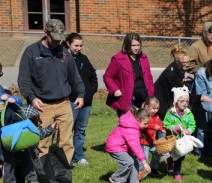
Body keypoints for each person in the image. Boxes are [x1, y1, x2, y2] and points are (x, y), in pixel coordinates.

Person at [17, 19, 85, 164]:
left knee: (66, 142)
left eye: (59, 38)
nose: (57, 42)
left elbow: (75, 78)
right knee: (42, 143)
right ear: (45, 33)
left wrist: (80, 94)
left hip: (64, 104)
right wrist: (32, 98)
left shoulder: (65, 53)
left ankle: (63, 177)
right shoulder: (31, 52)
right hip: (42, 106)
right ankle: (44, 177)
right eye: (54, 38)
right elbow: (24, 80)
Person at [0, 102, 57, 183]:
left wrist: (51, 128)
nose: (36, 122)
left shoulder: (33, 128)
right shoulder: (19, 129)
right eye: (33, 120)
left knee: (33, 178)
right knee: (19, 180)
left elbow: (41, 133)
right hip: (17, 162)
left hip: (32, 159)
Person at [64, 33, 98, 165]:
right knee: (67, 130)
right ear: (68, 44)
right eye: (76, 45)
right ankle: (67, 157)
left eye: (80, 45)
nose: (78, 48)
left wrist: (91, 90)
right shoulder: (63, 59)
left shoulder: (84, 59)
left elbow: (92, 75)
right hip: (71, 101)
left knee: (81, 130)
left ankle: (79, 155)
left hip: (86, 101)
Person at [104, 33, 154, 116]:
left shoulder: (144, 58)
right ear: (127, 45)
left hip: (143, 98)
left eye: (138, 45)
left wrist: (151, 94)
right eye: (133, 45)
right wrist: (115, 90)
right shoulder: (118, 59)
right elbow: (108, 77)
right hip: (127, 99)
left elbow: (149, 78)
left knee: (143, 126)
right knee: (129, 127)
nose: (136, 48)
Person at [105, 107, 151, 183]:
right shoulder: (132, 129)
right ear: (138, 120)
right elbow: (136, 148)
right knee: (128, 162)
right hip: (115, 147)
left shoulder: (133, 125)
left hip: (123, 147)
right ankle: (115, 178)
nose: (147, 126)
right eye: (145, 123)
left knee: (135, 163)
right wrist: (145, 163)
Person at [163, 86, 196, 181]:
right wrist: (174, 128)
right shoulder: (170, 113)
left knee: (181, 155)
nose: (185, 103)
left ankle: (171, 161)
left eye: (187, 101)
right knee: (177, 155)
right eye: (182, 101)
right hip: (173, 138)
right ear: (176, 101)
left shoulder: (189, 114)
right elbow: (165, 124)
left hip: (183, 139)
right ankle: (177, 172)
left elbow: (192, 125)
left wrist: (188, 131)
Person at [154, 45, 192, 118]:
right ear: (177, 62)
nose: (187, 64)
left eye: (188, 62)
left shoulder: (179, 68)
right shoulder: (172, 72)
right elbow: (178, 93)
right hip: (162, 101)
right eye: (184, 62)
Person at [139, 97, 165, 178]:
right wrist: (154, 126)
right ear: (147, 107)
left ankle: (154, 169)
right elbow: (144, 125)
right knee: (144, 158)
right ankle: (141, 172)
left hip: (152, 141)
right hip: (144, 142)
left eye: (157, 108)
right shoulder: (144, 116)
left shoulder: (155, 116)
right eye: (153, 108)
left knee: (157, 153)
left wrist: (162, 128)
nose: (155, 110)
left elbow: (159, 124)